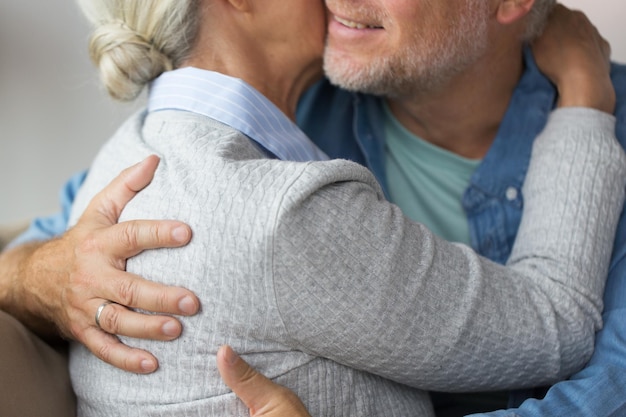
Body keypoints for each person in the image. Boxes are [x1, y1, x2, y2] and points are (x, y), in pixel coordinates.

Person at [0, 0, 623, 416]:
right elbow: (51, 252)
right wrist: (42, 275)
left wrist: (591, 103)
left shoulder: (165, 145)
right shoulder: (280, 167)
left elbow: (604, 390)